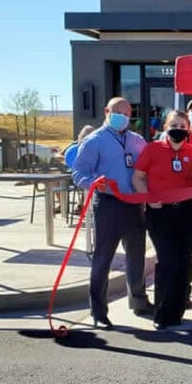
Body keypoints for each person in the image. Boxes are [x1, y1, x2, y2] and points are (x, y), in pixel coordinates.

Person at [72, 97, 152, 329]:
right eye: (118, 112)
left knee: (136, 255)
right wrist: (93, 182)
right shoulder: (94, 141)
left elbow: (147, 169)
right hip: (108, 204)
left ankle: (139, 300)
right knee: (103, 257)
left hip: (133, 205)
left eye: (127, 114)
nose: (123, 118)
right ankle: (98, 310)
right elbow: (78, 172)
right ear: (107, 111)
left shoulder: (137, 141)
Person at [132, 110, 192, 330]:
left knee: (183, 261)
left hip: (186, 213)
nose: (178, 129)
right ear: (165, 126)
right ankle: (161, 312)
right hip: (160, 213)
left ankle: (177, 310)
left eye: (182, 125)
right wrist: (148, 198)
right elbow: (138, 177)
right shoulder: (153, 149)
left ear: (188, 128)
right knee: (167, 261)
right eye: (173, 125)